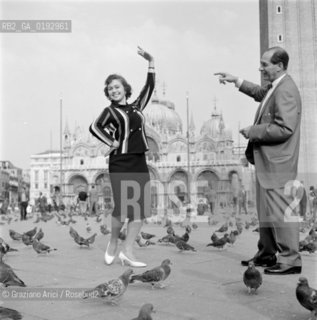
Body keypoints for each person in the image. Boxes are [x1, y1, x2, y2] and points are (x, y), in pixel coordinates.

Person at [215, 46, 302, 275]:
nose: (261, 68)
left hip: (278, 162)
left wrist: (254, 131)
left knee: (281, 211)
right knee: (265, 211)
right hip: (267, 161)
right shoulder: (277, 87)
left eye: (265, 64)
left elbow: (285, 128)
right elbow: (262, 95)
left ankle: (290, 260)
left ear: (280, 65)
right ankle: (267, 253)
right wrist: (238, 81)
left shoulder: (287, 89)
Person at [89, 46, 155, 267]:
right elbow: (95, 127)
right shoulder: (110, 111)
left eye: (117, 87)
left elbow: (149, 87)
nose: (113, 91)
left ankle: (128, 251)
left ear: (125, 88)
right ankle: (113, 241)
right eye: (110, 89)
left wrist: (151, 62)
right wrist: (111, 142)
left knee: (140, 209)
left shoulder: (137, 107)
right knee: (122, 207)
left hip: (138, 159)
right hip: (120, 161)